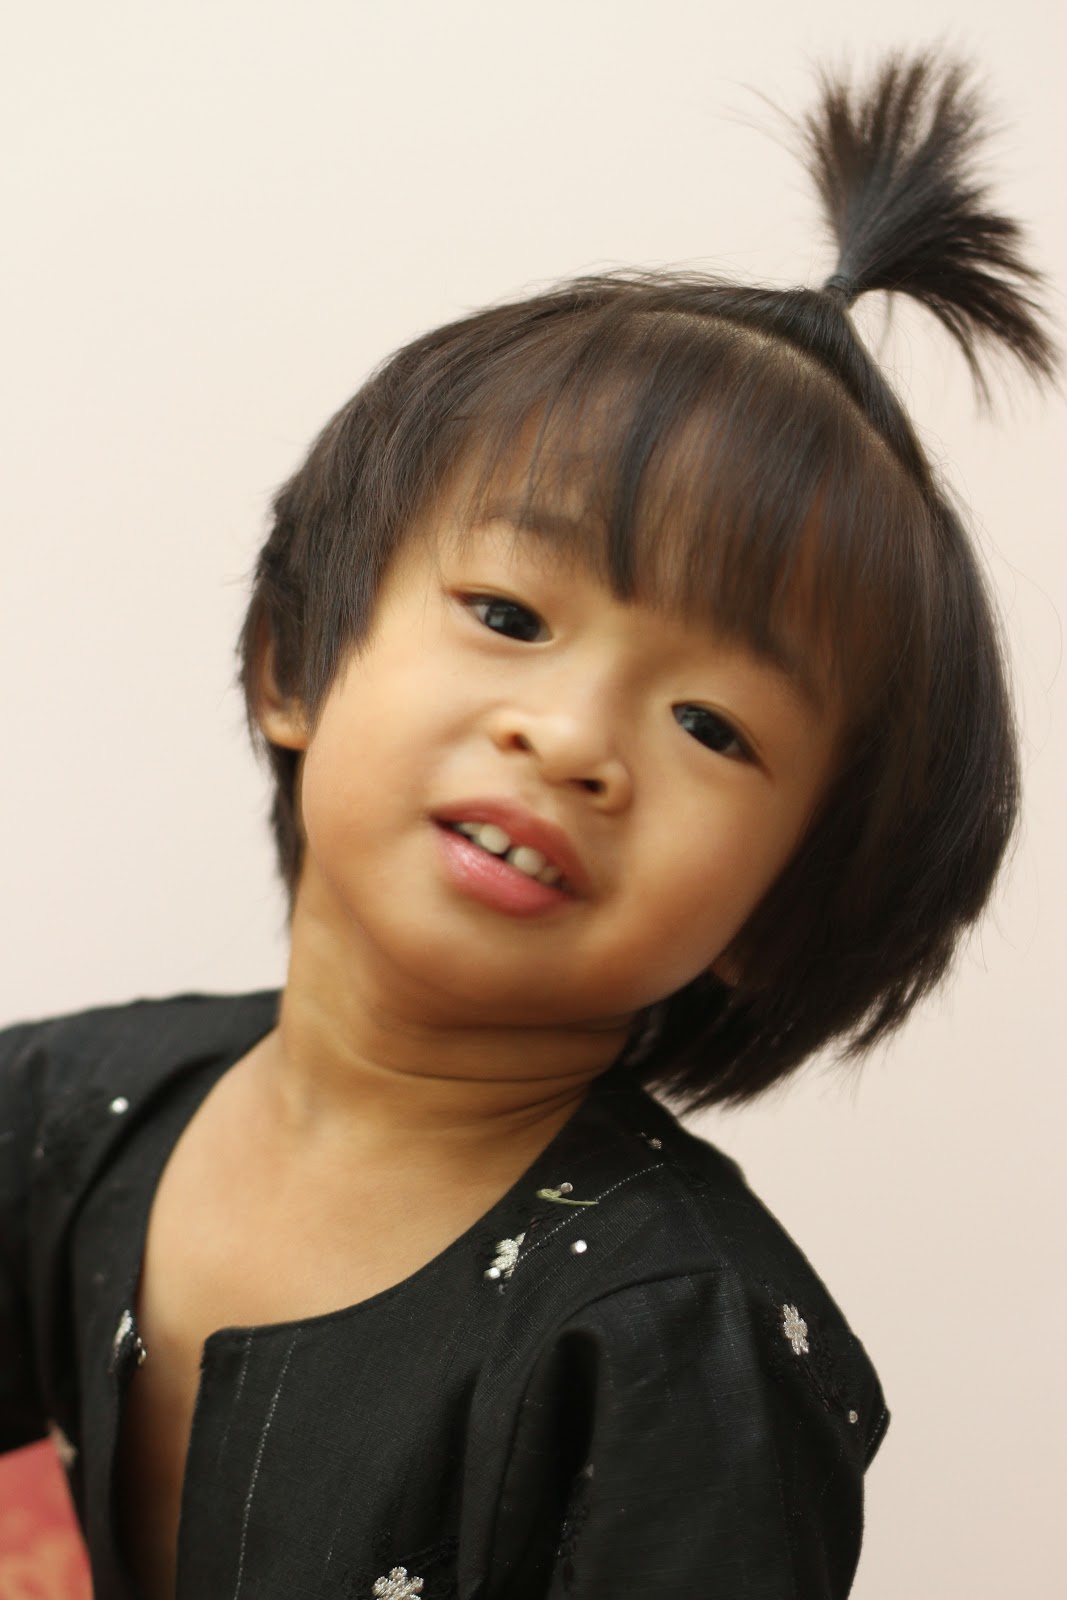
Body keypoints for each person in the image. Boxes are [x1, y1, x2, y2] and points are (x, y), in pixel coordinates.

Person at [0, 52, 1055, 1600]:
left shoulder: (673, 1342)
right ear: (295, 662)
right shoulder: (55, 1108)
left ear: (782, 910)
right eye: (509, 614)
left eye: (712, 726)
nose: (571, 740)